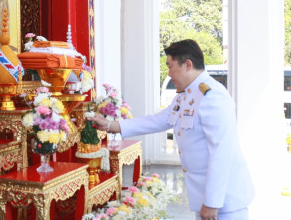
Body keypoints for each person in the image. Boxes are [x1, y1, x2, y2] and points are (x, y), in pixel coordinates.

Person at [89, 39, 255, 220]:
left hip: (224, 200)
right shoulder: (185, 96)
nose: (169, 73)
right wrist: (111, 125)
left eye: (170, 66)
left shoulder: (212, 96)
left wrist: (212, 202)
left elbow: (222, 152)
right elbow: (158, 120)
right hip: (206, 197)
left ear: (187, 65)